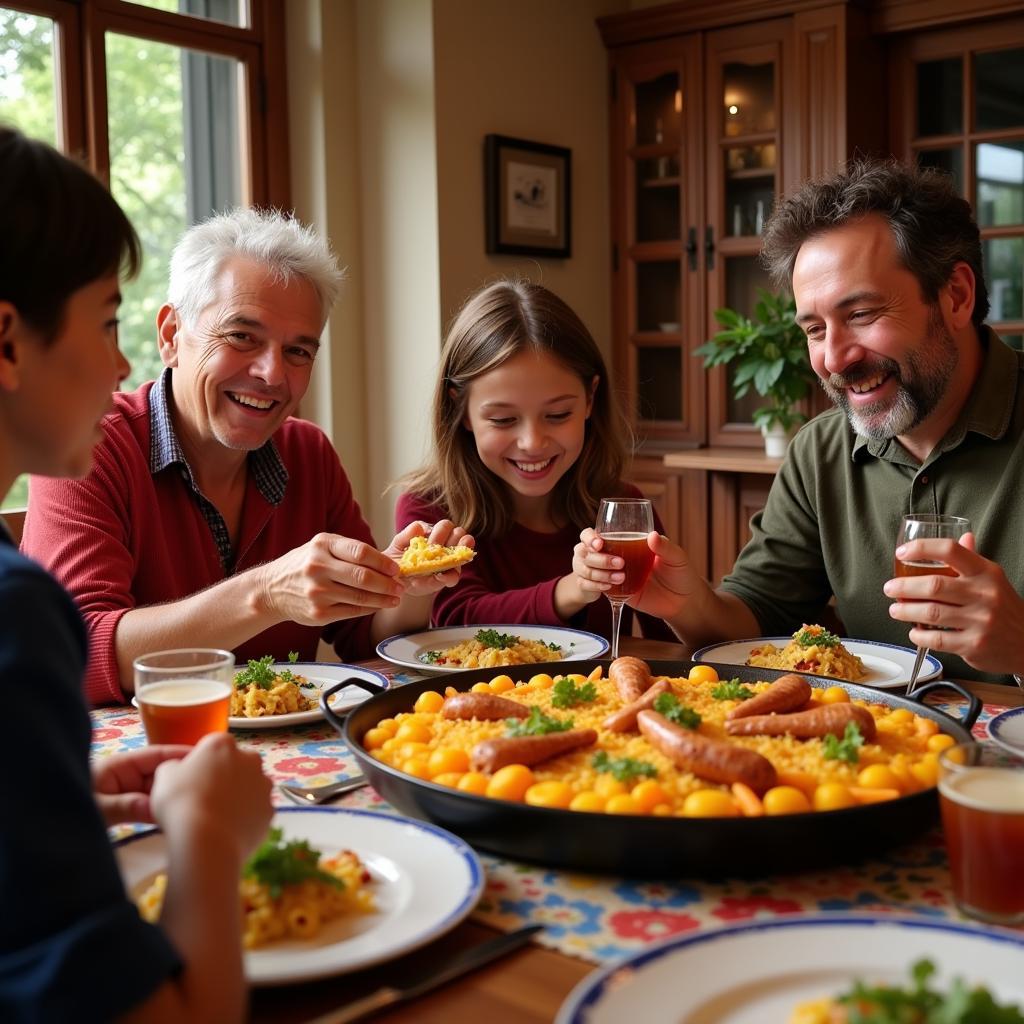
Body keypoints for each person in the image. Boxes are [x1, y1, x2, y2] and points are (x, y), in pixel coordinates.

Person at [0, 125, 274, 1022]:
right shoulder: (15, 614)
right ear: (6, 340)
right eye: (108, 320)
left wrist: (58, 799)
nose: (120, 365)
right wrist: (206, 832)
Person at [575, 158, 1024, 683]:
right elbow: (754, 621)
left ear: (956, 296)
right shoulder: (820, 452)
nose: (833, 360)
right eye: (814, 329)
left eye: (860, 315)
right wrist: (684, 601)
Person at [22, 207, 471, 705]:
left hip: (293, 757)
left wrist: (410, 585)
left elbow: (362, 633)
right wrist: (267, 593)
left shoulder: (308, 452)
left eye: (299, 352)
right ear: (171, 335)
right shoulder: (88, 449)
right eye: (241, 336)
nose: (272, 374)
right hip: (142, 763)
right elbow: (73, 652)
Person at [396, 279, 674, 643]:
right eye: (503, 420)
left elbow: (670, 639)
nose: (532, 443)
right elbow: (459, 617)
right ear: (461, 411)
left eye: (557, 415)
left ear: (590, 399)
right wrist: (575, 588)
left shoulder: (619, 513)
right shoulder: (429, 509)